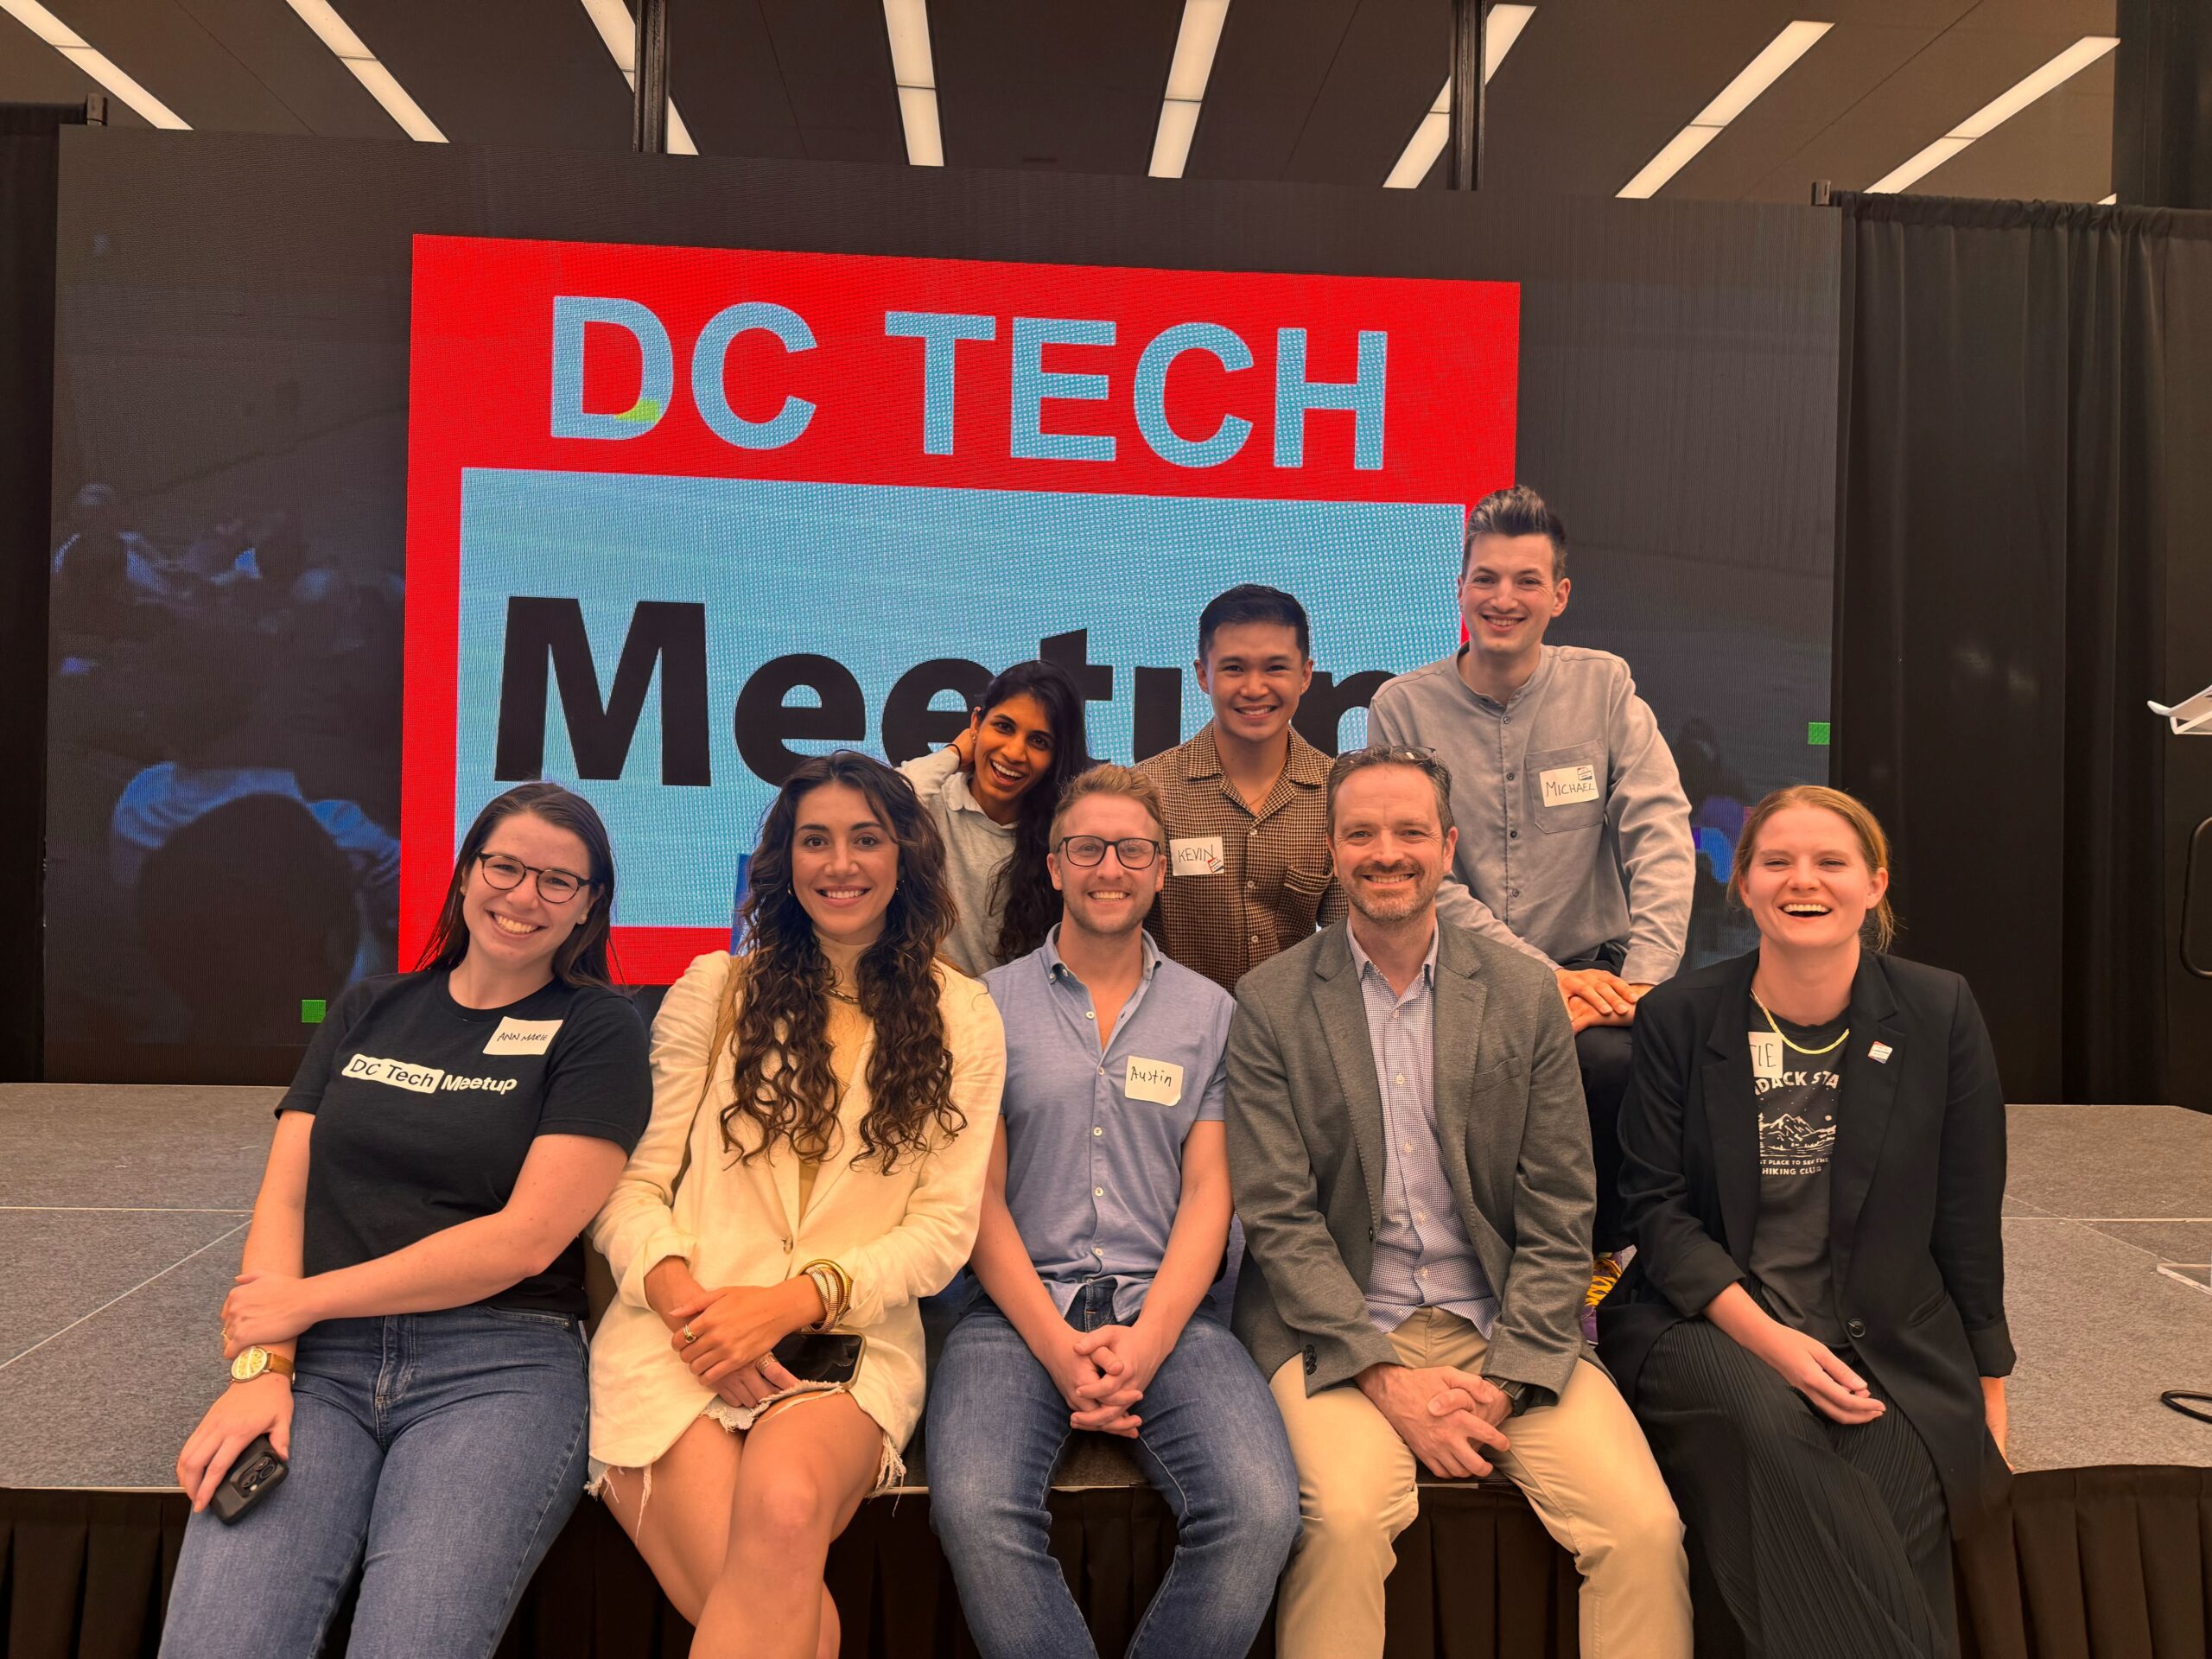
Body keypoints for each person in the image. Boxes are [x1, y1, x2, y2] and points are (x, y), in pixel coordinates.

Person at [159, 781, 652, 1659]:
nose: (522, 895)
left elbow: (527, 1239)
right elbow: (285, 1197)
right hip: (321, 1369)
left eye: (556, 881)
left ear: (588, 909)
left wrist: (304, 1303)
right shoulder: (367, 1009)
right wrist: (263, 1364)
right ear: (466, 877)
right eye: (504, 866)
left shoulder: (598, 1029)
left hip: (498, 1368)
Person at [1227, 745, 1692, 1659]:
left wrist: (1506, 1376)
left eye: (1409, 832)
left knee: (1643, 1532)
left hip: (1504, 1322)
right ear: (1330, 851)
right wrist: (1384, 1378)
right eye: (1360, 834)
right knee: (1345, 1524)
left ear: (1446, 846)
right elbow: (1278, 1220)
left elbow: (1563, 1205)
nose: (1385, 852)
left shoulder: (1523, 995)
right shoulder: (1270, 1003)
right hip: (1338, 1333)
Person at [587, 752, 1005, 1659]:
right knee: (798, 1629)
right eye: (815, 841)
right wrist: (698, 1319)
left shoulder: (963, 1014)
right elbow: (630, 1190)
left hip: (845, 1345)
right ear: (784, 860)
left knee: (782, 1511)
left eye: (865, 839)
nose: (840, 863)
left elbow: (940, 1234)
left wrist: (788, 1303)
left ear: (905, 856)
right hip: (674, 1336)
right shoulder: (715, 989)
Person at [1599, 785, 2012, 1659]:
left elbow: (1968, 1218)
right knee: (1768, 1426)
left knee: (1894, 1494)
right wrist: (1777, 1345)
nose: (1803, 880)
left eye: (1830, 861)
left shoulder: (1939, 1012)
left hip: (1885, 1334)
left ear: (1873, 883)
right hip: (1703, 1324)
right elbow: (1656, 1215)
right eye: (1776, 861)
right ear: (1742, 885)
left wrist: (1987, 1391)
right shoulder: (1679, 1016)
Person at [928, 766, 1300, 1659]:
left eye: (1133, 850)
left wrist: (1146, 1343)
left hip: (1164, 1312)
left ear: (1160, 870)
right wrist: (1060, 1349)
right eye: (1087, 848)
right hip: (1012, 1317)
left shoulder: (1211, 1014)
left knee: (1259, 1513)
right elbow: (976, 1200)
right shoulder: (983, 1007)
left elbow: (1212, 1193)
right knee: (976, 1509)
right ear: (1053, 866)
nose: (1110, 867)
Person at [1366, 485, 1695, 1313]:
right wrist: (1540, 977)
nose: (1503, 599)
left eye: (1524, 580)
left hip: (1603, 971)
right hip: (1464, 966)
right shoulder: (1402, 707)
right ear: (1460, 589)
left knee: (1622, 1063)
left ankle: (1595, 1256)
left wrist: (1643, 984)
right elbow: (1425, 876)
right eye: (1485, 578)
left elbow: (1659, 830)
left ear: (1560, 595)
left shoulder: (1606, 688)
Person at [1139, 583, 1344, 994]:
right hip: (1173, 1033)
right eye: (1234, 668)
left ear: (1305, 675)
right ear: (1202, 675)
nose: (1254, 688)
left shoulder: (1338, 794)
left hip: (1291, 1038)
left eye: (1275, 668)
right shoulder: (1148, 792)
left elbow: (1349, 941)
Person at [900, 660, 1090, 976]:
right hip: (924, 1014)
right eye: (1003, 727)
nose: (1015, 753)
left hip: (1017, 1018)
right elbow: (870, 809)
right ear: (976, 724)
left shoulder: (1062, 832)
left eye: (1039, 741)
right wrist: (952, 754)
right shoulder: (928, 800)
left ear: (1056, 757)